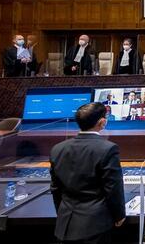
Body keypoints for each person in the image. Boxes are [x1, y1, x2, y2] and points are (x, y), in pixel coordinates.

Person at [49, 102, 126, 243]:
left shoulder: (57, 149)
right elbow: (113, 188)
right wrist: (119, 215)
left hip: (64, 225)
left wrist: (62, 214)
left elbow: (55, 188)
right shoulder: (107, 149)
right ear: (102, 122)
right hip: (95, 227)